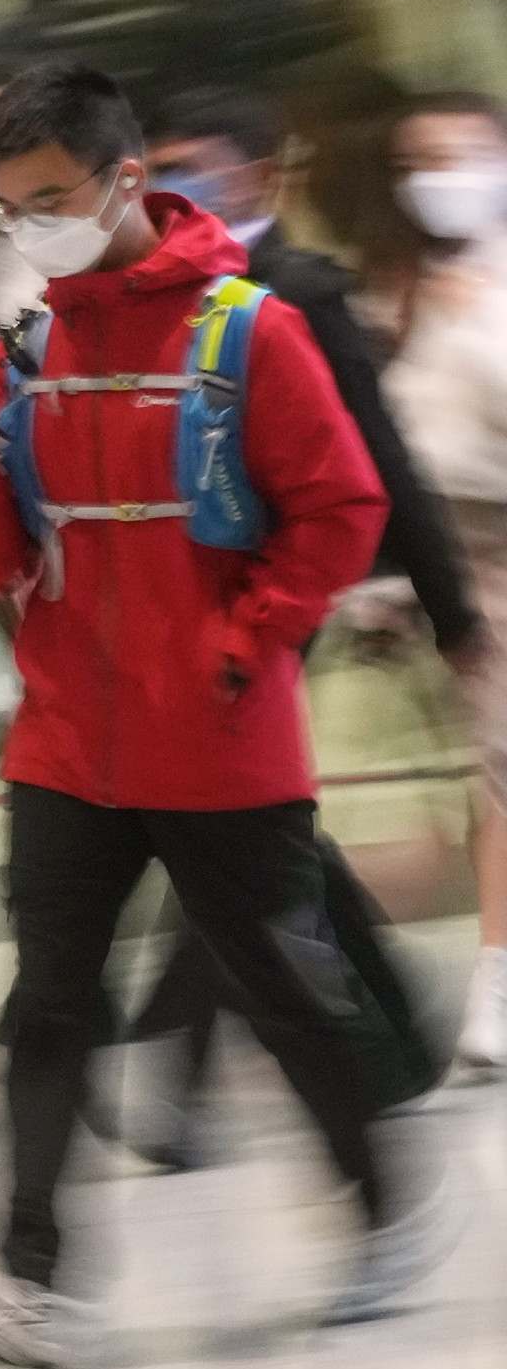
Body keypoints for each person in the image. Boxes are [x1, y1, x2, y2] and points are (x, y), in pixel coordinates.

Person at [0, 63, 452, 1369]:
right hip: (69, 733)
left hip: (218, 736)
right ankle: (28, 1273)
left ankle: (383, 1203)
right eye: (4, 205)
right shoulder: (26, 339)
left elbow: (340, 506)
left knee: (288, 991)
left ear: (127, 180)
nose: (25, 225)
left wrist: (244, 649)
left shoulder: (249, 330)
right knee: (47, 1005)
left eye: (48, 197)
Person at [115, 91, 473, 1159]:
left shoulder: (297, 294)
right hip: (200, 603)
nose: (177, 187)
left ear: (262, 173)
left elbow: (378, 463)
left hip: (287, 606)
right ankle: (401, 1034)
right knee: (267, 841)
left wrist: (449, 610)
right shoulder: (164, 293)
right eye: (161, 166)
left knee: (239, 839)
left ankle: (175, 1066)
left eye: (198, 165)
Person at [356, 90, 507, 1073]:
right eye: (422, 158)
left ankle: (494, 984)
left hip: (494, 553)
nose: (443, 174)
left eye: (466, 151)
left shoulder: (477, 293)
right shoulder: (407, 288)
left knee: (496, 778)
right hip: (437, 565)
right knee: (456, 794)